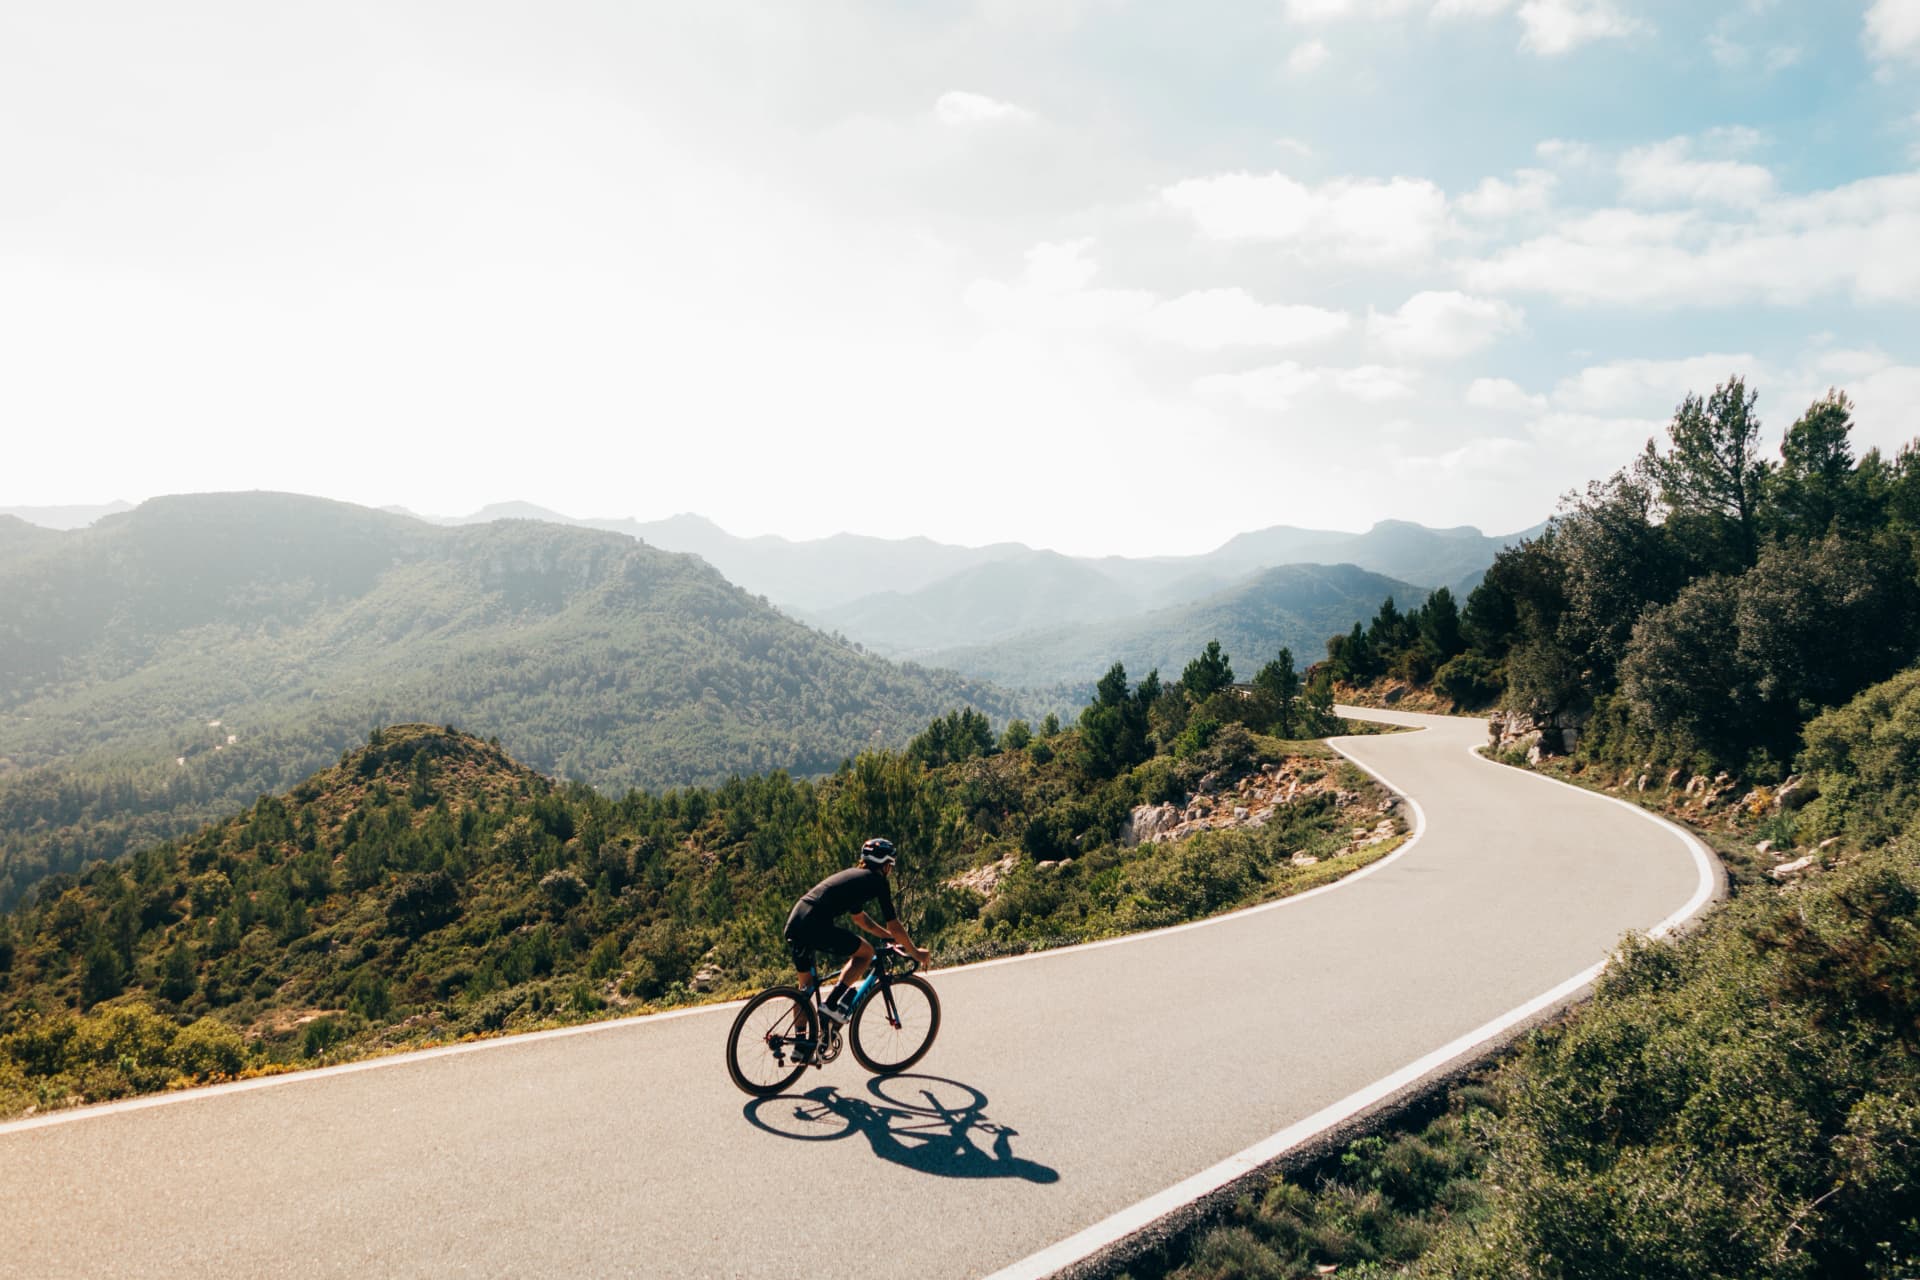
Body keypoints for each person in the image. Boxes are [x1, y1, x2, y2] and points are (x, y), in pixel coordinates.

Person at [784, 837, 932, 1024]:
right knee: (866, 953)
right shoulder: (878, 881)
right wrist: (916, 952)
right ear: (886, 866)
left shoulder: (855, 878)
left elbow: (861, 919)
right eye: (891, 866)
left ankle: (801, 1047)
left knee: (805, 988)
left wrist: (888, 937)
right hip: (815, 925)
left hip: (795, 921)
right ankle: (830, 1005)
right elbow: (894, 924)